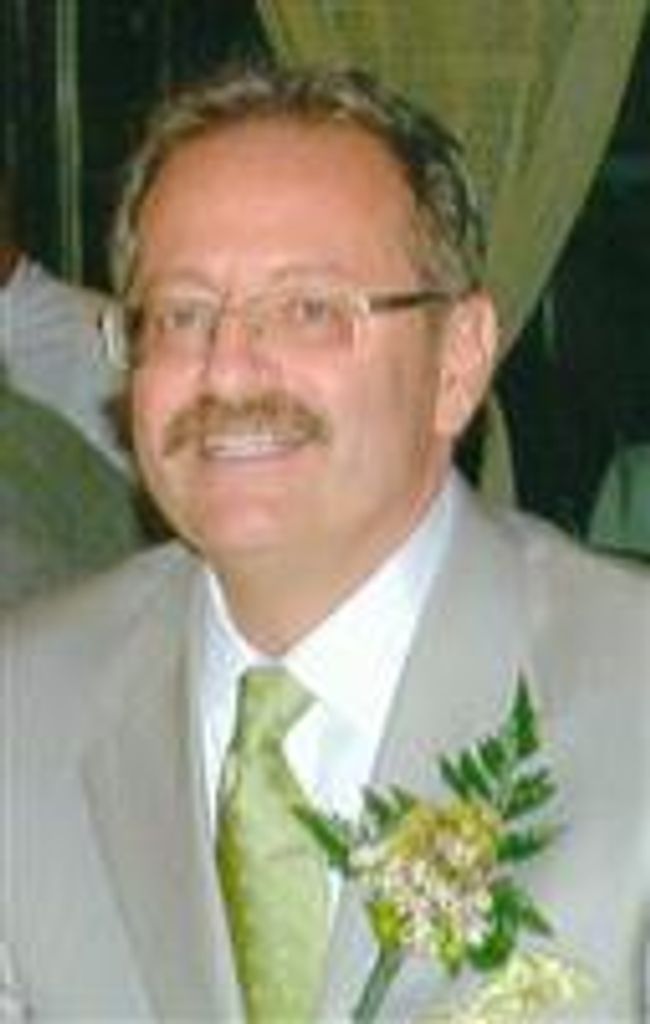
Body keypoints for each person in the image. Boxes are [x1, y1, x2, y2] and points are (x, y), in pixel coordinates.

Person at [1, 64, 647, 1021]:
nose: (226, 371)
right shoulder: (25, 702)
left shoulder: (629, 689)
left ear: (459, 360)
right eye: (181, 315)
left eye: (308, 309)